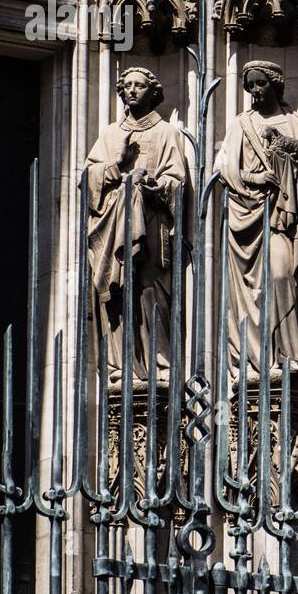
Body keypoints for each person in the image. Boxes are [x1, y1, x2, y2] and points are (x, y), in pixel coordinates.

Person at [86, 67, 188, 384]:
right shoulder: (110, 135)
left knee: (150, 290)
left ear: (152, 91)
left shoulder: (167, 133)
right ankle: (121, 366)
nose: (132, 90)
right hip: (114, 226)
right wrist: (117, 164)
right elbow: (88, 180)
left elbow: (178, 182)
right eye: (127, 85)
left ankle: (160, 363)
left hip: (152, 225)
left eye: (139, 86)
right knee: (117, 293)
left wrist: (157, 185)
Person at [216, 61, 298, 379]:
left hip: (281, 219)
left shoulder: (294, 123)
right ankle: (257, 362)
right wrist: (254, 178)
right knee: (250, 295)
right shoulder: (240, 125)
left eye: (260, 84)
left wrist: (292, 160)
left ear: (275, 85)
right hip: (246, 219)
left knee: (281, 273)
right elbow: (224, 170)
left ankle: (288, 355)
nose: (254, 92)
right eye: (250, 86)